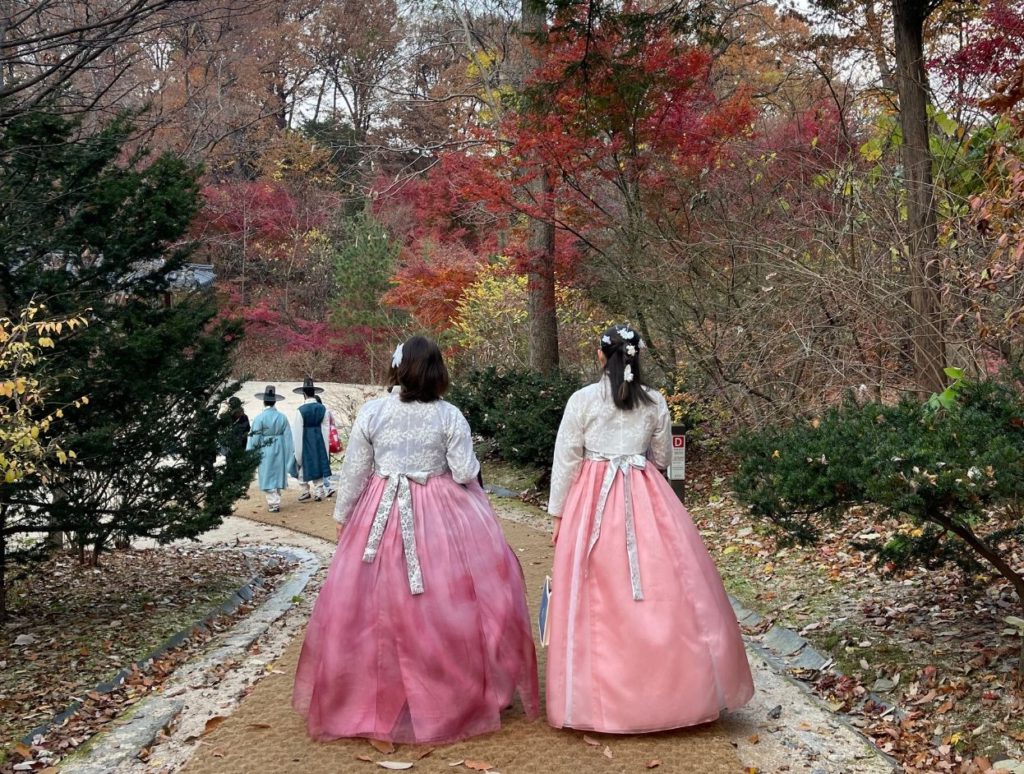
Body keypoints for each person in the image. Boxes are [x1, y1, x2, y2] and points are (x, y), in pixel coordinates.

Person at [293, 336, 539, 744]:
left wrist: (343, 518)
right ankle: (448, 694)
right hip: (443, 515)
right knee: (445, 601)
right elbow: (463, 471)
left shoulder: (373, 412)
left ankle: (371, 696)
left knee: (376, 602)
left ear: (397, 367)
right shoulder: (449, 415)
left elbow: (355, 471)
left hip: (380, 511)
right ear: (437, 371)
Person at [546, 324, 754, 733]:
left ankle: (599, 701)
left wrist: (558, 513)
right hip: (645, 494)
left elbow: (566, 459)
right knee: (665, 588)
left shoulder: (583, 400)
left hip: (593, 497)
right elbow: (660, 456)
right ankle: (672, 691)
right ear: (637, 356)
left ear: (602, 356)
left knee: (596, 592)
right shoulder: (655, 401)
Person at [246, 386, 294, 513]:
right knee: (277, 472)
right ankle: (276, 499)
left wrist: (251, 452)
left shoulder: (259, 418)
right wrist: (289, 451)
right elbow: (288, 436)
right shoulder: (282, 417)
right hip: (279, 446)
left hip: (265, 446)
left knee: (266, 473)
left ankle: (274, 503)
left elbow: (255, 437)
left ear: (263, 401)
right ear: (274, 402)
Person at [291, 377, 331, 502]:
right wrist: (326, 447)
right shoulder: (323, 409)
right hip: (319, 438)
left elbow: (297, 431)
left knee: (303, 464)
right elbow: (326, 429)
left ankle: (305, 490)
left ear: (304, 394)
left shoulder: (301, 410)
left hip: (306, 439)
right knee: (318, 462)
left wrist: (297, 452)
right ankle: (319, 491)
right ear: (314, 393)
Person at [313, 394, 337, 498]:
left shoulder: (313, 413)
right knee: (325, 464)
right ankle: (328, 487)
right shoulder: (327, 412)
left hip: (316, 441)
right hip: (327, 441)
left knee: (317, 465)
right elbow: (333, 424)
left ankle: (323, 488)